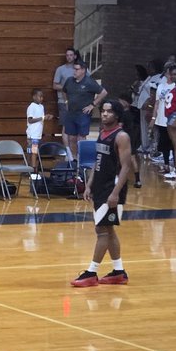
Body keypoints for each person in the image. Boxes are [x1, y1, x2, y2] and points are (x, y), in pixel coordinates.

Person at [70, 99, 132, 288]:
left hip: (111, 189)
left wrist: (115, 193)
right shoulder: (103, 133)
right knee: (108, 229)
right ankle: (119, 272)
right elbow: (97, 163)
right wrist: (89, 184)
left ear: (117, 115)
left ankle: (91, 272)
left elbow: (126, 167)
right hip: (99, 186)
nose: (104, 114)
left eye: (109, 112)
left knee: (102, 231)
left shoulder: (121, 137)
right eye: (103, 111)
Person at [62, 61, 107, 169]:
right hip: (71, 113)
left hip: (83, 114)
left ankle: (82, 160)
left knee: (81, 138)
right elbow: (64, 91)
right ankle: (74, 159)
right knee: (71, 138)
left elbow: (104, 92)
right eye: (74, 69)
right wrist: (67, 102)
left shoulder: (89, 82)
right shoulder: (69, 81)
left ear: (83, 70)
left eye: (77, 69)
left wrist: (93, 105)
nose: (74, 71)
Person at [52, 47, 81, 156]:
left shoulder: (80, 69)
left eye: (71, 55)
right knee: (65, 126)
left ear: (75, 56)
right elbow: (55, 85)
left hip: (77, 102)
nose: (69, 57)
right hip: (63, 101)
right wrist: (67, 87)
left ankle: (77, 152)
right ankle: (67, 151)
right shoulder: (61, 69)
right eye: (67, 55)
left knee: (77, 126)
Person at [25, 88, 51, 159]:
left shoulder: (41, 107)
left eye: (42, 96)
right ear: (34, 97)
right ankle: (32, 168)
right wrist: (42, 118)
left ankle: (31, 167)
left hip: (38, 134)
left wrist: (47, 117)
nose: (41, 98)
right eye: (40, 96)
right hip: (32, 135)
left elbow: (41, 117)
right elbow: (30, 120)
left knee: (34, 152)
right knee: (33, 152)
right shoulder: (31, 107)